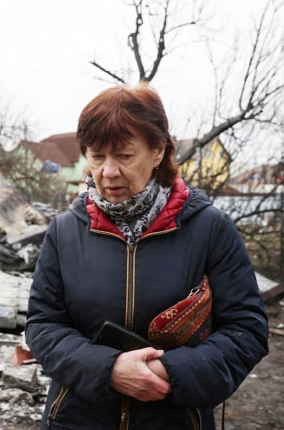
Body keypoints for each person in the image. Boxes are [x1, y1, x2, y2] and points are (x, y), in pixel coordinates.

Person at [26, 82, 269, 429]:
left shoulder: (210, 229)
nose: (108, 171)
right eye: (97, 156)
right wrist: (109, 370)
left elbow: (246, 331)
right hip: (76, 420)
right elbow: (43, 326)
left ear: (157, 151)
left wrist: (168, 372)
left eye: (124, 156)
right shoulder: (65, 231)